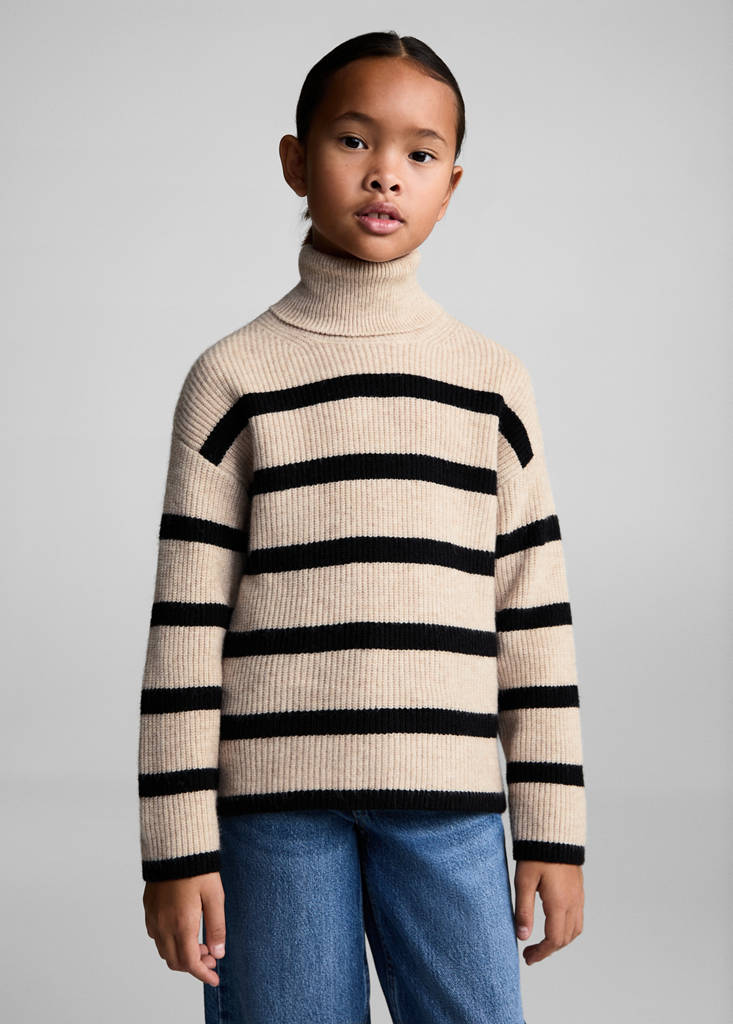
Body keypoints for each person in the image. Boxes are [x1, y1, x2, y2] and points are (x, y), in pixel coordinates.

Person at [138, 30, 586, 1024]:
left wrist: (552, 830)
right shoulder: (232, 379)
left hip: (450, 805)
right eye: (352, 141)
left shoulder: (490, 384)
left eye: (419, 153)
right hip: (271, 814)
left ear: (450, 186)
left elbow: (533, 622)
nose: (385, 172)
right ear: (295, 161)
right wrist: (174, 851)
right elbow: (184, 633)